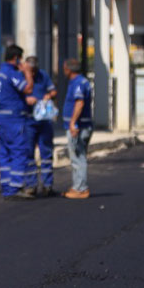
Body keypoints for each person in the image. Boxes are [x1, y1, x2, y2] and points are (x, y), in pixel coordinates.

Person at [0, 45, 36, 200]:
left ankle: (6, 187)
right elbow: (28, 88)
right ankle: (16, 186)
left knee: (5, 153)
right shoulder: (12, 73)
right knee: (18, 151)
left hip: (0, 118)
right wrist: (27, 72)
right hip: (13, 119)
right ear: (16, 58)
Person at [23, 56, 59, 197]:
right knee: (28, 153)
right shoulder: (21, 77)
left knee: (46, 153)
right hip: (29, 121)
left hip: (44, 121)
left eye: (33, 71)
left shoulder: (43, 75)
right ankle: (31, 185)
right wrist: (27, 99)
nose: (31, 74)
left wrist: (48, 96)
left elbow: (53, 91)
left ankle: (47, 185)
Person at [62, 58, 94, 199]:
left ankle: (81, 188)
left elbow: (79, 103)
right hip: (82, 126)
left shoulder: (78, 84)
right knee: (78, 156)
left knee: (78, 158)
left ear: (69, 69)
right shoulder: (81, 82)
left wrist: (73, 123)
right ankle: (77, 186)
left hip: (79, 127)